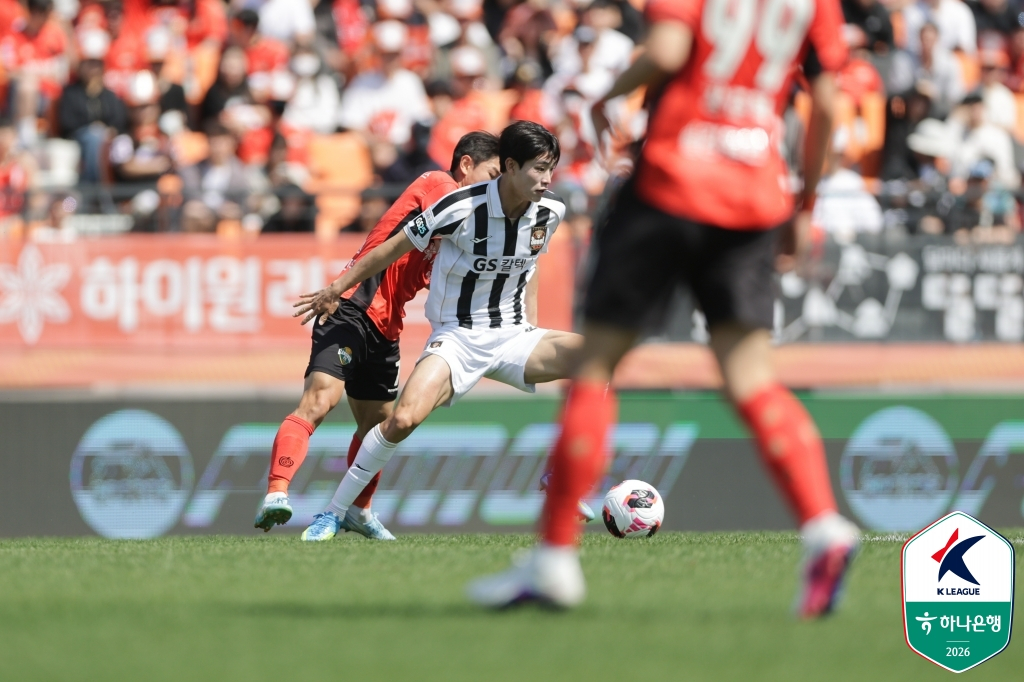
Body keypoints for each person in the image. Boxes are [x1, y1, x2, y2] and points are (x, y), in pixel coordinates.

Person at [467, 0, 862, 615]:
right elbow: (830, 103)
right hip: (756, 192)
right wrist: (804, 203)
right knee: (752, 375)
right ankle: (823, 525)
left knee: (595, 364)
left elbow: (671, 52)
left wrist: (607, 98)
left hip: (672, 182)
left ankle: (554, 561)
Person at [294, 121, 586, 542]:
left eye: (551, 169)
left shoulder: (551, 212)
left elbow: (530, 260)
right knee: (404, 419)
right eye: (538, 169)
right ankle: (335, 513)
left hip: (512, 336)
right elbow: (391, 248)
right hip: (459, 338)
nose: (546, 179)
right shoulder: (460, 207)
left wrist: (530, 324)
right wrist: (336, 288)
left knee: (596, 358)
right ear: (509, 166)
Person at [253, 131, 502, 538]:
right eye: (492, 174)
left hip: (388, 326)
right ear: (466, 165)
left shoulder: (458, 230)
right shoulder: (438, 184)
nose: (494, 186)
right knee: (319, 400)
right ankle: (277, 493)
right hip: (351, 306)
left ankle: (359, 510)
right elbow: (461, 219)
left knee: (379, 429)